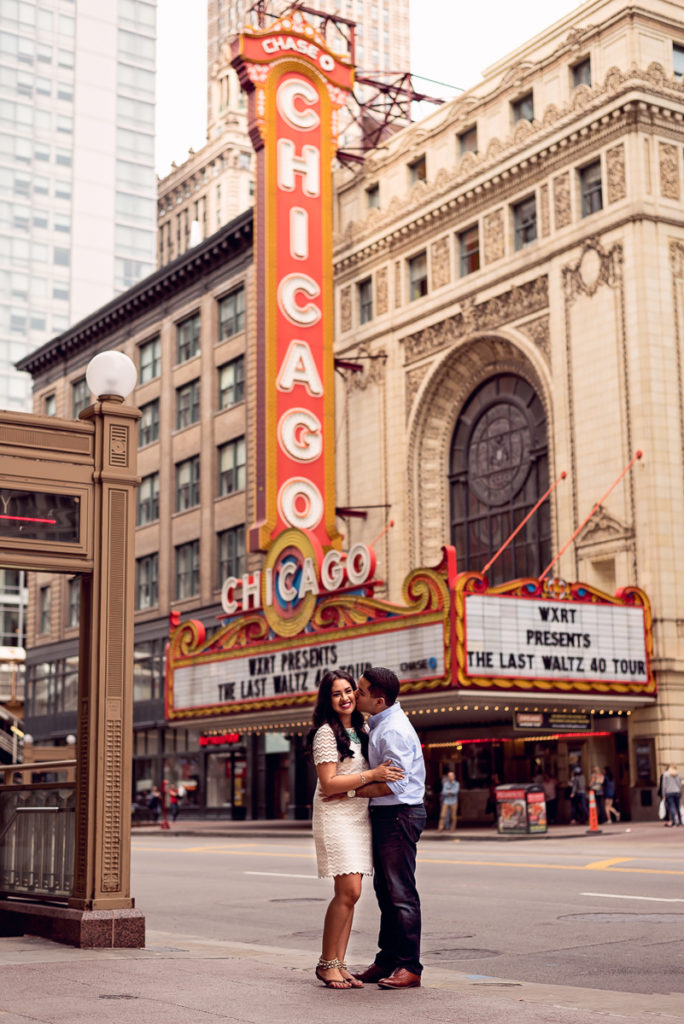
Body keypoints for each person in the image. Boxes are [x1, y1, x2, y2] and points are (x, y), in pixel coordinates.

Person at [309, 670, 404, 990]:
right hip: (335, 817)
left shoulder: (363, 729)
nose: (346, 697)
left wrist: (361, 785)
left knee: (352, 894)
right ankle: (326, 963)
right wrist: (373, 774)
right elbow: (328, 784)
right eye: (337, 693)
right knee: (348, 892)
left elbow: (344, 785)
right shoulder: (325, 733)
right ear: (327, 699)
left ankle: (339, 962)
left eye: (349, 690)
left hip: (357, 814)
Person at [350, 667, 427, 990]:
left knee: (400, 893)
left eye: (361, 691)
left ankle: (409, 967)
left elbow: (395, 785)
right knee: (386, 891)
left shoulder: (392, 730)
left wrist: (353, 790)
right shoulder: (380, 723)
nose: (355, 695)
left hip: (399, 814)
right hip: (389, 816)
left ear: (379, 701)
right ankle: (387, 959)